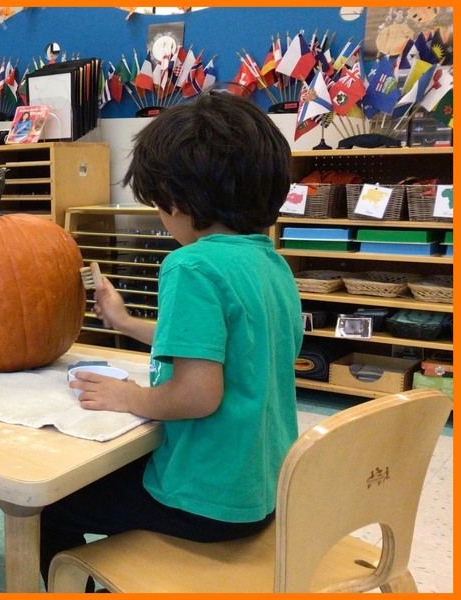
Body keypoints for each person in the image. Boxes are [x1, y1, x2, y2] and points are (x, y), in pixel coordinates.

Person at [41, 91, 303, 590]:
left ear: (177, 198)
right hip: (264, 489)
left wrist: (131, 396)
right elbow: (225, 349)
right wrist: (124, 322)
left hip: (206, 500)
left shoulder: (191, 264)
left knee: (46, 502)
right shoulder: (268, 261)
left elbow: (198, 393)